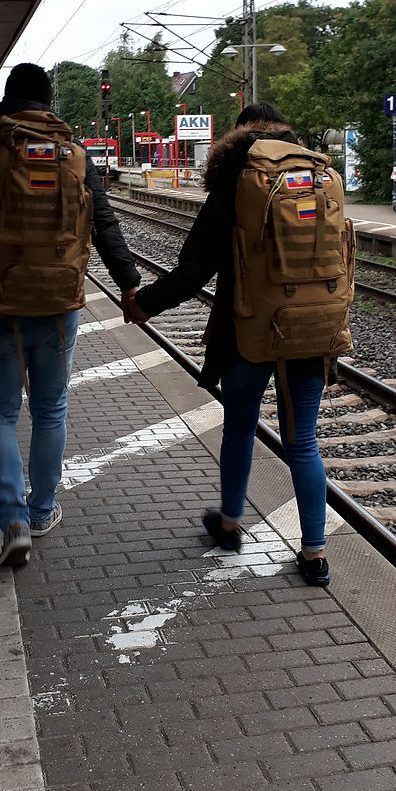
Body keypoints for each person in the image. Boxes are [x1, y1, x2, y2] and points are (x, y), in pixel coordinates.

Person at [0, 63, 140, 567]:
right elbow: (103, 221)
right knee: (50, 410)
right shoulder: (73, 153)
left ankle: (12, 519)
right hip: (58, 299)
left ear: (7, 98)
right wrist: (129, 286)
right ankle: (42, 510)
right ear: (49, 101)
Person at [124, 102, 334, 587]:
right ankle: (315, 554)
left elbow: (195, 268)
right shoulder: (317, 173)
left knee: (240, 427)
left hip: (248, 330)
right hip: (309, 329)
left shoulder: (239, 176)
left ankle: (230, 523)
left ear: (240, 135)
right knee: (304, 442)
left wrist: (144, 304)